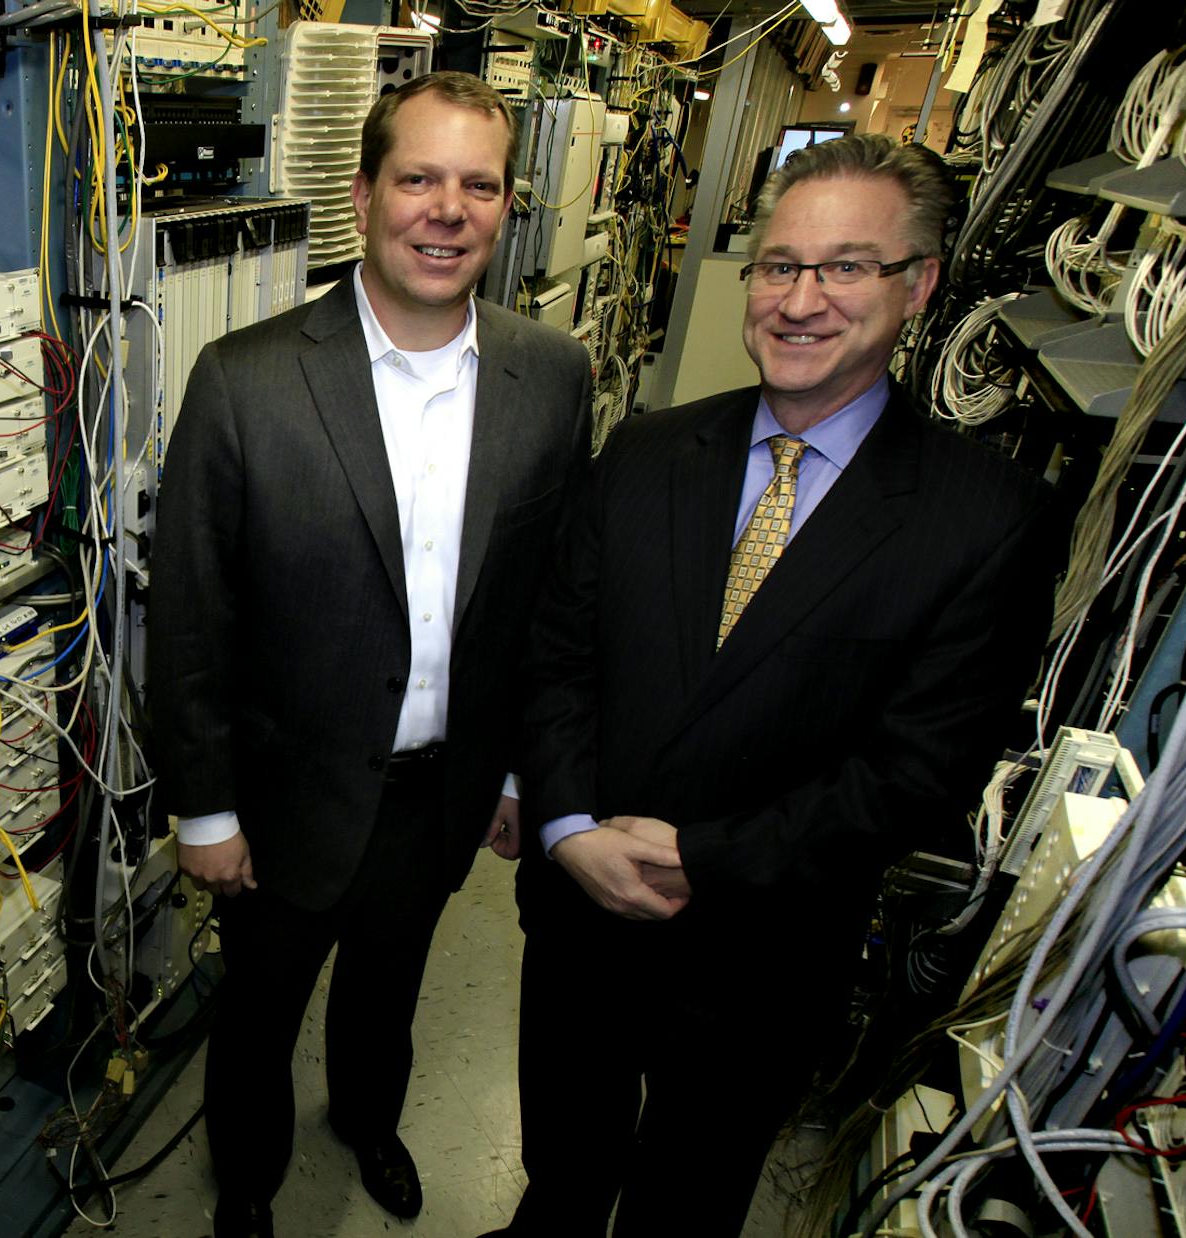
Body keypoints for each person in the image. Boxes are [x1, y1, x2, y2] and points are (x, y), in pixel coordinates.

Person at [488, 133, 1060, 1237]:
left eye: (846, 266)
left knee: (688, 1197)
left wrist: (701, 856)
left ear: (920, 284)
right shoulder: (649, 451)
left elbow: (920, 773)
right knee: (562, 1161)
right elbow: (557, 654)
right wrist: (564, 825)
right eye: (779, 266)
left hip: (762, 953)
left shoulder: (985, 520)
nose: (802, 299)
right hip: (580, 922)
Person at [148, 71, 594, 1238]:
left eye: (478, 184)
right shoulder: (246, 380)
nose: (447, 209)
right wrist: (205, 812)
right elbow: (192, 616)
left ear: (505, 207)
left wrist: (514, 774)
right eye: (419, 178)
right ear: (364, 196)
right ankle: (246, 1177)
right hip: (285, 792)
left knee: (388, 991)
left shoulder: (551, 376)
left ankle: (368, 1119)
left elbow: (549, 607)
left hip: (443, 788)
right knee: (258, 1008)